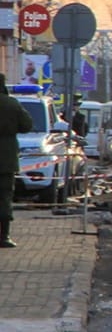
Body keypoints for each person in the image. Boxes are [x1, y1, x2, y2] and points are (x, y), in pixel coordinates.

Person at [1, 73, 34, 248]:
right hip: (6, 160)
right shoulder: (12, 104)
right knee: (5, 197)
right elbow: (27, 125)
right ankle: (4, 236)